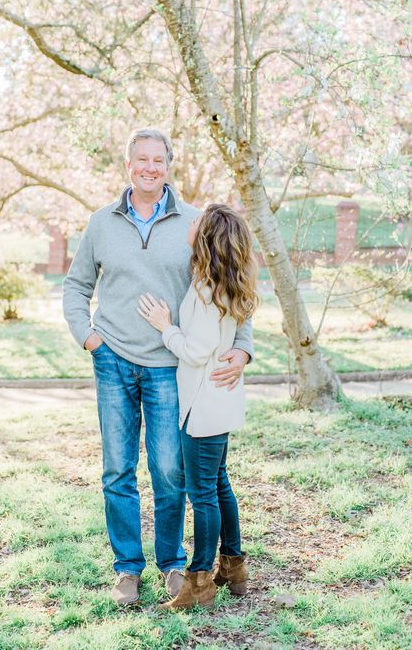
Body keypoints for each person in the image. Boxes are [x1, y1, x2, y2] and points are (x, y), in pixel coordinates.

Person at [63, 128, 253, 606]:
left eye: (158, 160)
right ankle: (127, 569)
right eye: (141, 159)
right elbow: (75, 286)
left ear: (169, 166)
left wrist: (243, 349)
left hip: (173, 368)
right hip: (113, 361)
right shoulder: (101, 223)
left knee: (170, 471)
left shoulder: (195, 223)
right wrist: (89, 338)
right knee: (117, 471)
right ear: (128, 165)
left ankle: (172, 563)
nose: (150, 168)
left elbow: (235, 288)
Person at [138, 203, 259, 610]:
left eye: (197, 221)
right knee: (219, 483)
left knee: (203, 493)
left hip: (203, 405)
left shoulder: (208, 292)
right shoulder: (221, 282)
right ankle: (234, 566)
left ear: (205, 236)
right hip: (217, 402)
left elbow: (194, 351)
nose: (190, 223)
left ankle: (200, 581)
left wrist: (164, 326)